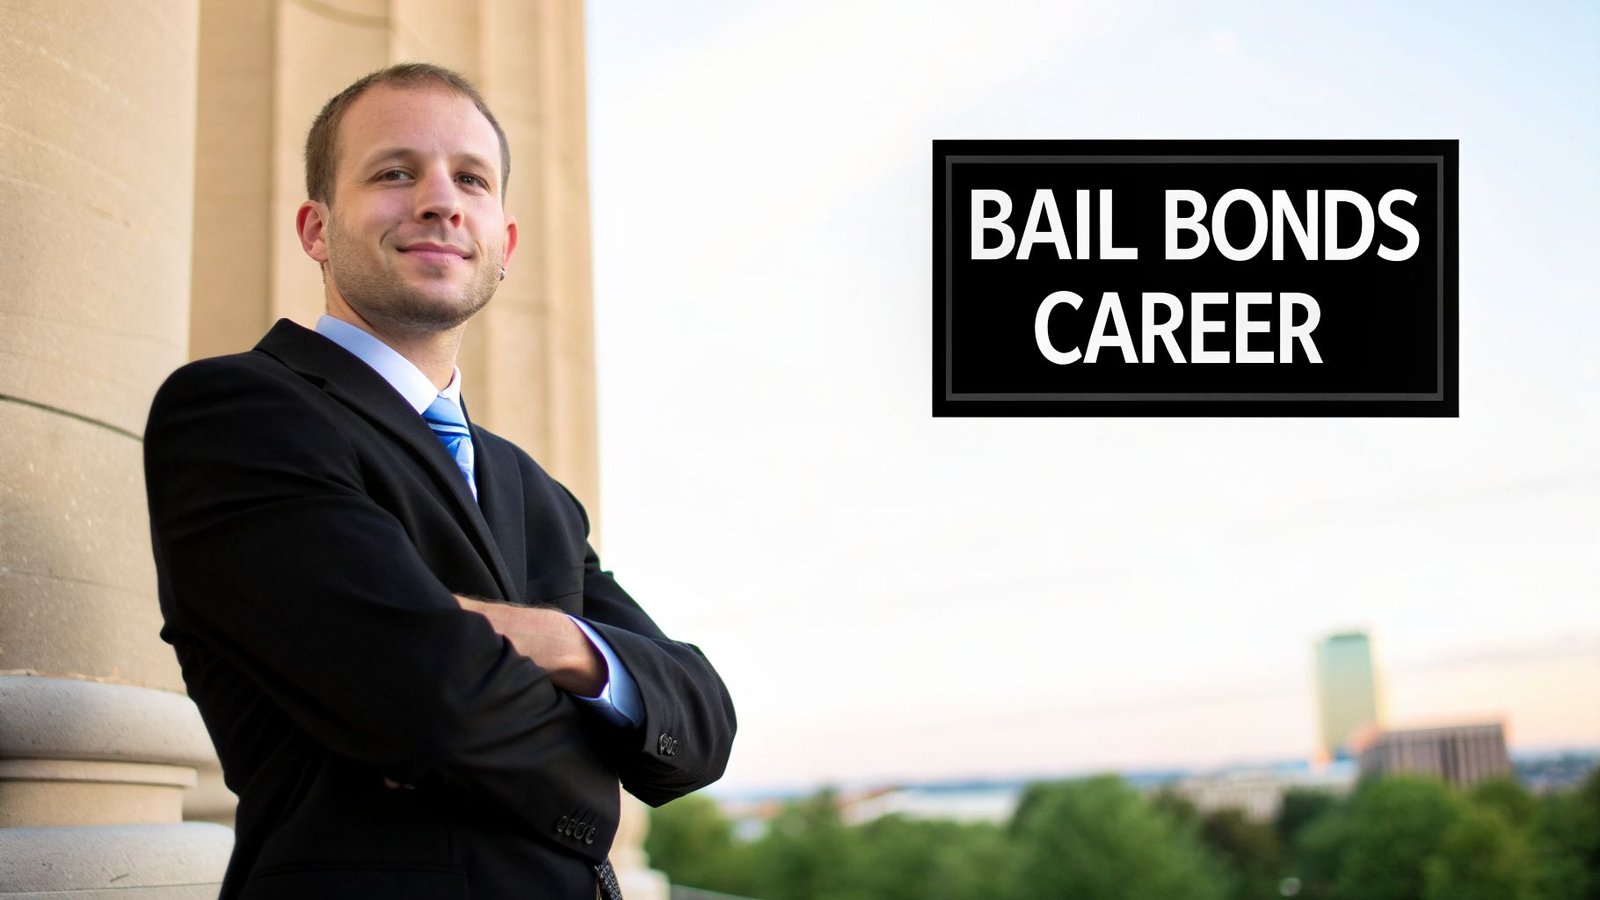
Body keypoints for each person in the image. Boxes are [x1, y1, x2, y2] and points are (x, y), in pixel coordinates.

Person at [144, 63, 736, 900]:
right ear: (316, 229)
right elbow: (424, 701)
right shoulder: (236, 412)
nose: (439, 201)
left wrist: (559, 642)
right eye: (394, 173)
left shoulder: (534, 492)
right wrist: (594, 745)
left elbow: (702, 722)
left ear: (505, 241)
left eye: (470, 179)